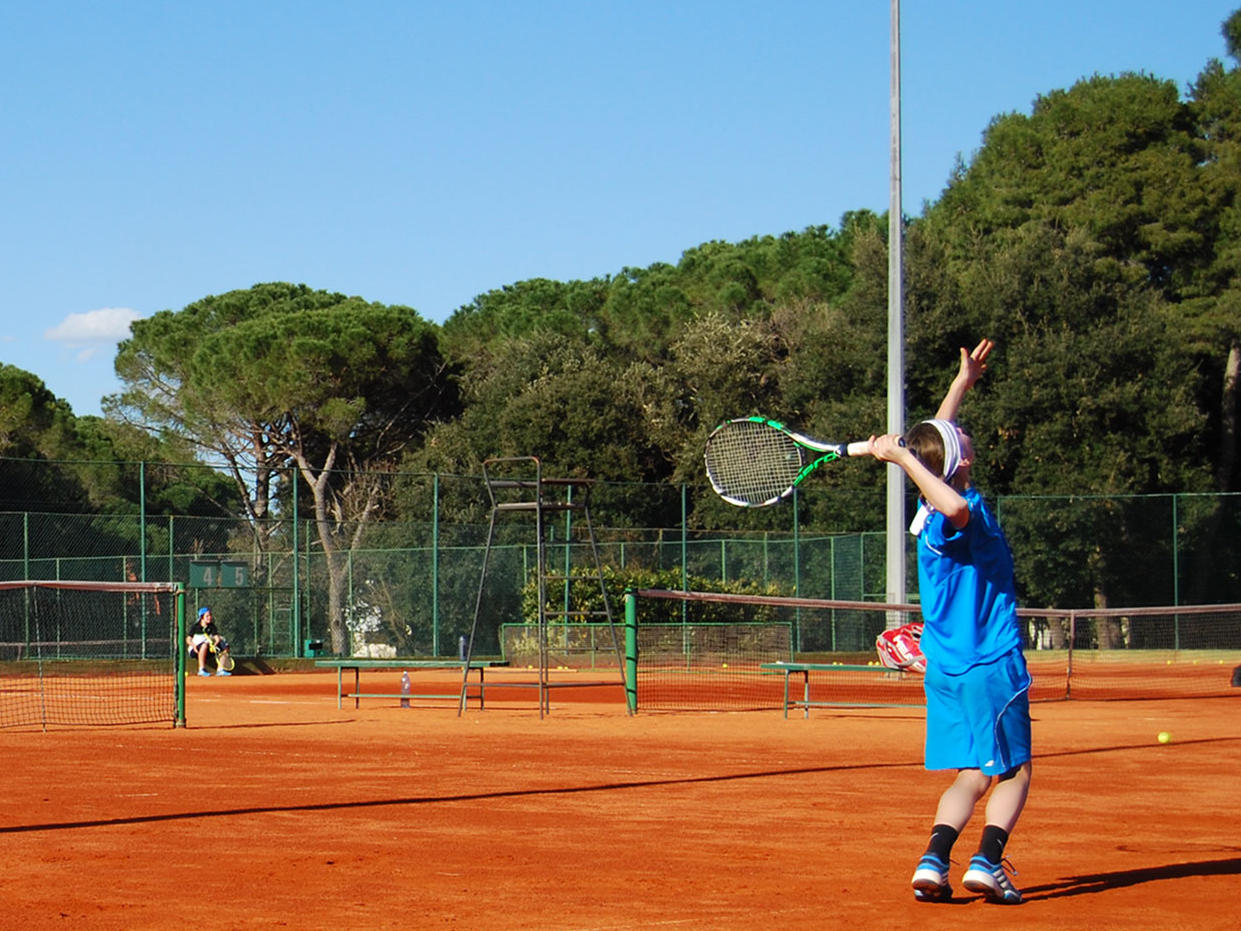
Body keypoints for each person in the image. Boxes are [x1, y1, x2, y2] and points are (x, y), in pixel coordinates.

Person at [865, 338, 1032, 905]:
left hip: (948, 670)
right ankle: (987, 861)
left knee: (970, 773)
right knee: (1013, 772)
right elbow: (949, 488)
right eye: (967, 446)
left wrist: (961, 385)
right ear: (959, 464)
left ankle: (933, 860)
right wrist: (904, 458)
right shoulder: (964, 511)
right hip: (991, 664)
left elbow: (935, 444)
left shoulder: (925, 517)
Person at [187, 606, 232, 677]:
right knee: (204, 645)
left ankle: (220, 670)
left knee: (224, 646)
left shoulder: (212, 627)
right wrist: (194, 646)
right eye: (207, 616)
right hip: (195, 650)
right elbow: (188, 639)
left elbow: (217, 638)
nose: (210, 617)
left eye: (210, 615)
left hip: (208, 649)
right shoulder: (195, 627)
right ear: (202, 617)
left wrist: (215, 645)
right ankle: (201, 670)